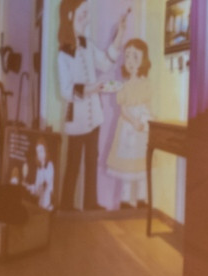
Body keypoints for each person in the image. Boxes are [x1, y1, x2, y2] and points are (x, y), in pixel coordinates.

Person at [57, 0, 126, 212]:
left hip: (94, 116)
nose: (86, 19)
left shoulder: (87, 44)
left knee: (91, 161)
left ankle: (90, 203)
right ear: (69, 16)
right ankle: (66, 206)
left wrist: (119, 36)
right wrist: (91, 88)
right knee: (73, 164)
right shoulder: (63, 53)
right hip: (76, 119)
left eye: (87, 14)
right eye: (83, 14)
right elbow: (66, 90)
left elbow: (105, 62)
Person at [107, 38, 153, 209]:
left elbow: (148, 105)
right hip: (128, 129)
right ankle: (126, 199)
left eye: (135, 57)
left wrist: (147, 119)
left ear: (143, 60)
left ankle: (142, 198)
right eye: (127, 57)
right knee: (127, 165)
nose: (131, 62)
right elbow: (123, 110)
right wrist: (133, 121)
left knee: (141, 163)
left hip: (142, 128)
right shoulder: (124, 87)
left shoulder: (146, 84)